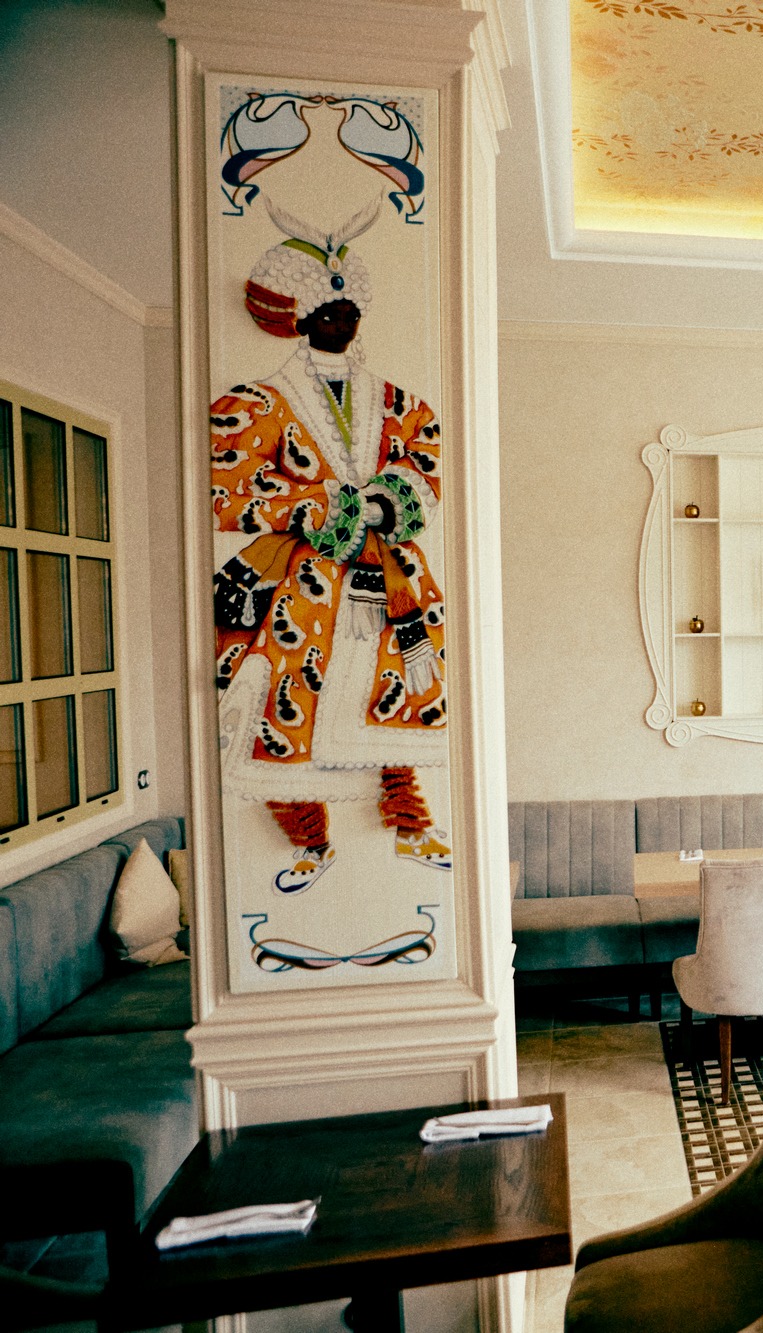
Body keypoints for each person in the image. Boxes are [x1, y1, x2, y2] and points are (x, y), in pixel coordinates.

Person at [211, 199, 450, 893]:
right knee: (287, 702)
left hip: (389, 575)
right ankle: (310, 840)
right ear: (301, 318)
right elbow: (231, 487)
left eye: (351, 313)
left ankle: (410, 823)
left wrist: (387, 499)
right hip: (301, 580)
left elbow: (424, 464)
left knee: (397, 694)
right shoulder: (259, 401)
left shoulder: (398, 402)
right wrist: (319, 505)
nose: (343, 323)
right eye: (329, 313)